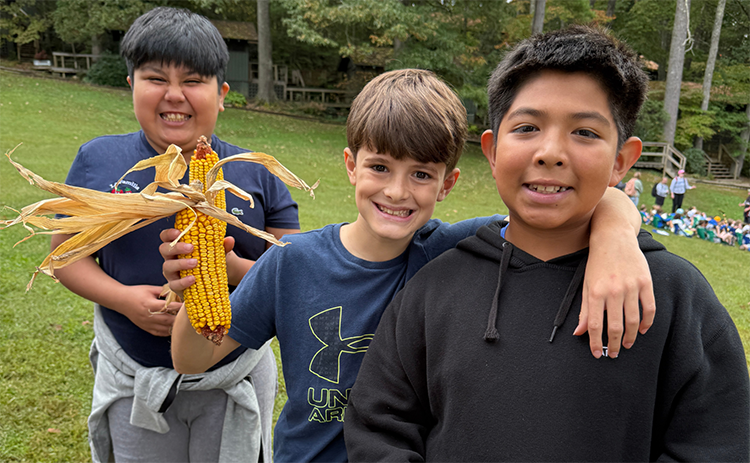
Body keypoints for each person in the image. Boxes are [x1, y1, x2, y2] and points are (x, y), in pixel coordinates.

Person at [162, 68, 656, 463]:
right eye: (379, 167)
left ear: (448, 184)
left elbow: (562, 208)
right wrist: (193, 292)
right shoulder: (290, 262)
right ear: (352, 165)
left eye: (421, 174)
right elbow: (192, 360)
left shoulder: (451, 250)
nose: (397, 192)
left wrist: (615, 236)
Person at [343, 26, 750, 462]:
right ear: (493, 150)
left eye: (585, 133)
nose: (551, 152)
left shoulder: (671, 296)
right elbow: (379, 430)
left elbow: (718, 443)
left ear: (621, 161)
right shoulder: (433, 288)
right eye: (527, 127)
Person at [50, 8, 299, 463]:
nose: (174, 95)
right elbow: (65, 257)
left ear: (222, 94)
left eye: (193, 80)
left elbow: (289, 270)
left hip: (231, 372)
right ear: (131, 86)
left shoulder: (255, 174)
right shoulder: (99, 161)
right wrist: (125, 300)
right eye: (155, 78)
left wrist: (227, 267)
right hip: (133, 372)